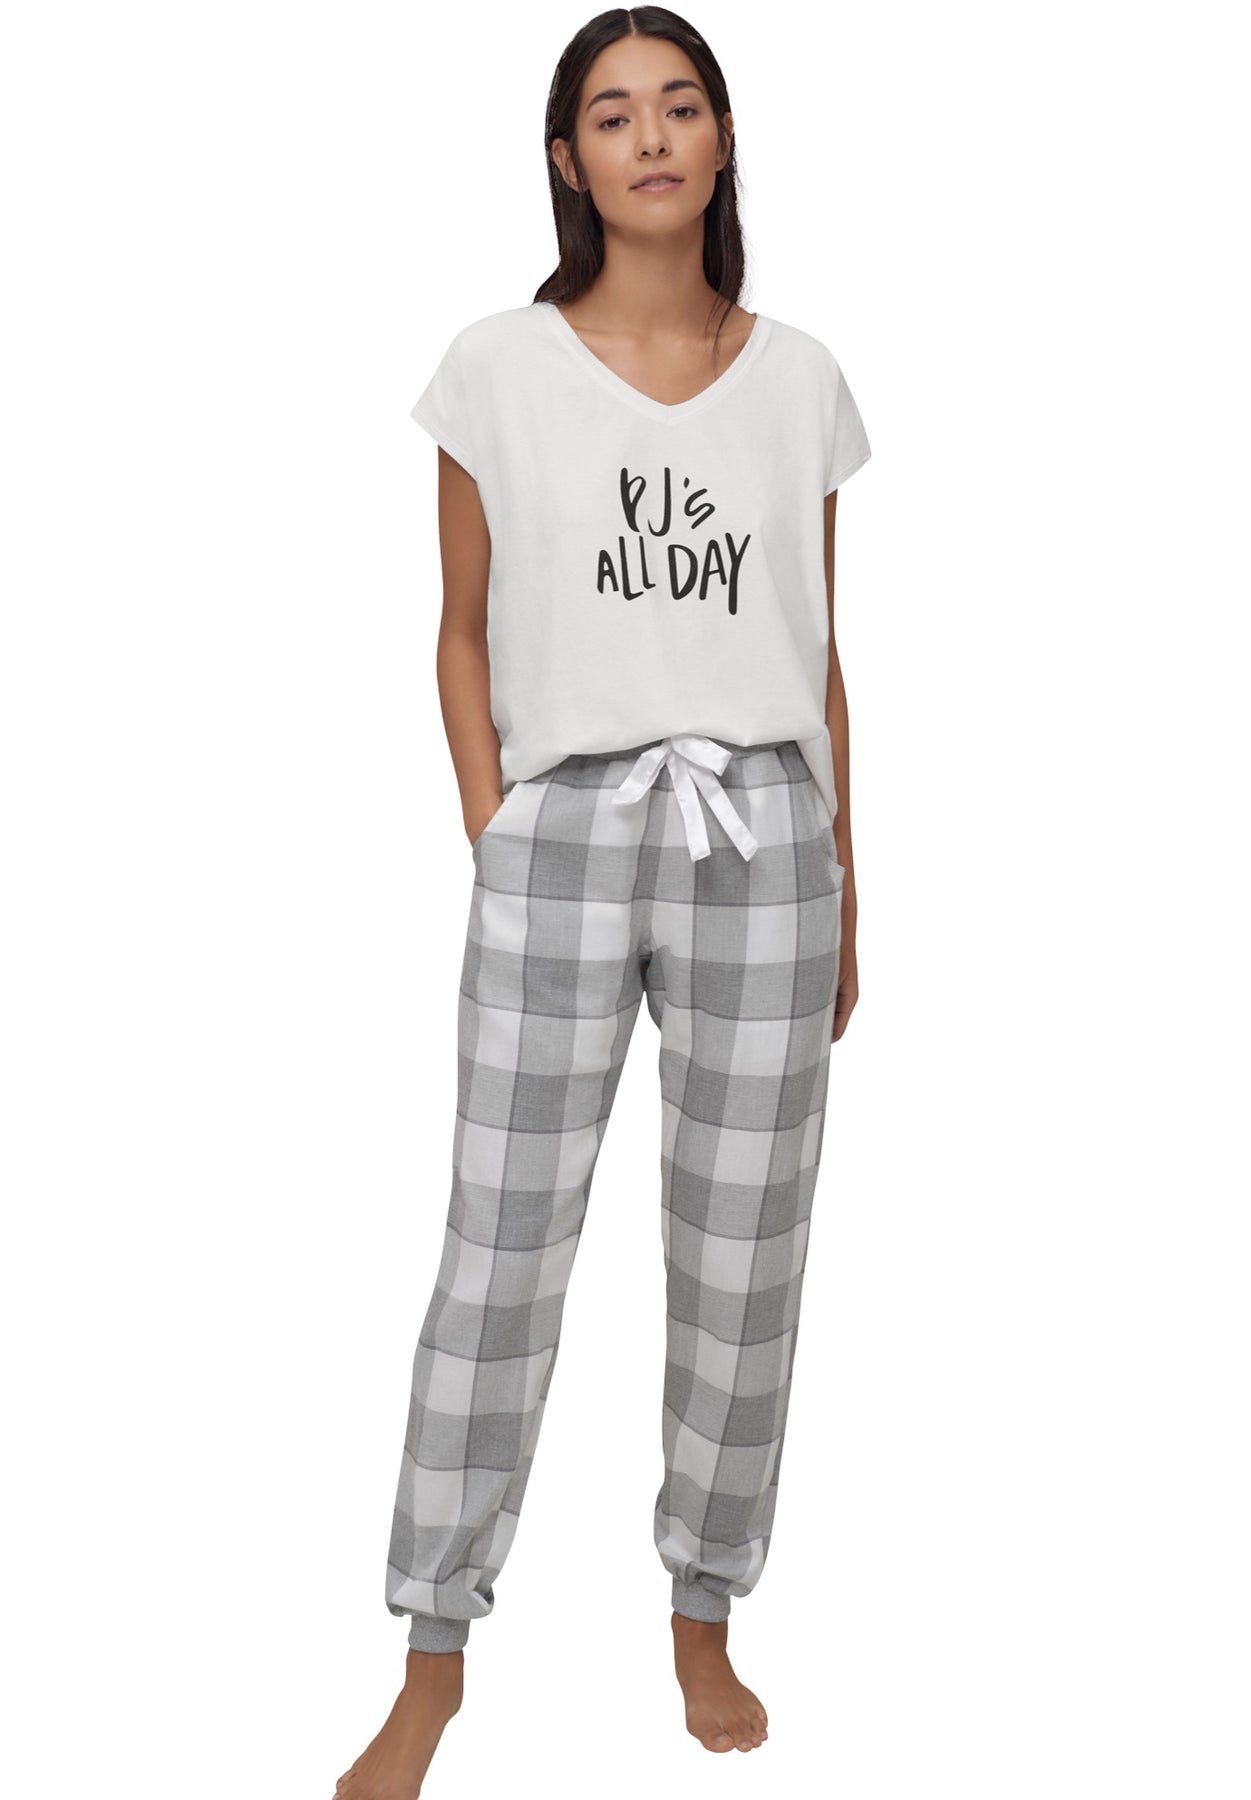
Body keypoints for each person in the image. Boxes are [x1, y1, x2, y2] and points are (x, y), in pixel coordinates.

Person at [334, 9, 871, 1794]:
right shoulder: (495, 365)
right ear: (567, 158)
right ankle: (433, 1649)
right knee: (500, 1251)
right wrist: (495, 827)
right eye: (614, 113)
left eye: (682, 105)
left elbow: (820, 648)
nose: (652, 136)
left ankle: (705, 1608)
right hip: (562, 833)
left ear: (722, 141)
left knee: (744, 1254)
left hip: (765, 841)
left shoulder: (799, 378)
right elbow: (461, 627)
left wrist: (850, 877)